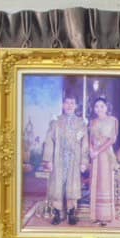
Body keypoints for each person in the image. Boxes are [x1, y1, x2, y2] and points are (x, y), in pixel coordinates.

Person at [42, 94, 87, 226]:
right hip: (58, 159)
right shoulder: (55, 122)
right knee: (57, 186)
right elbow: (49, 141)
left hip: (74, 159)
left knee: (72, 186)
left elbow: (85, 143)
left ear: (76, 106)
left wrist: (84, 162)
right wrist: (48, 160)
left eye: (72, 103)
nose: (69, 106)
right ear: (63, 105)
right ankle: (57, 214)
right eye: (67, 103)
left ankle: (71, 214)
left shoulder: (81, 123)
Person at [87, 96, 119, 225]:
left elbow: (112, 139)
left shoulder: (113, 120)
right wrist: (91, 150)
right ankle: (96, 215)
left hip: (105, 154)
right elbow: (89, 138)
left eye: (102, 106)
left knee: (104, 183)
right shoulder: (92, 122)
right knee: (95, 182)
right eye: (96, 106)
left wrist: (98, 151)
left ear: (106, 107)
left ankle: (105, 216)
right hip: (95, 156)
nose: (99, 109)